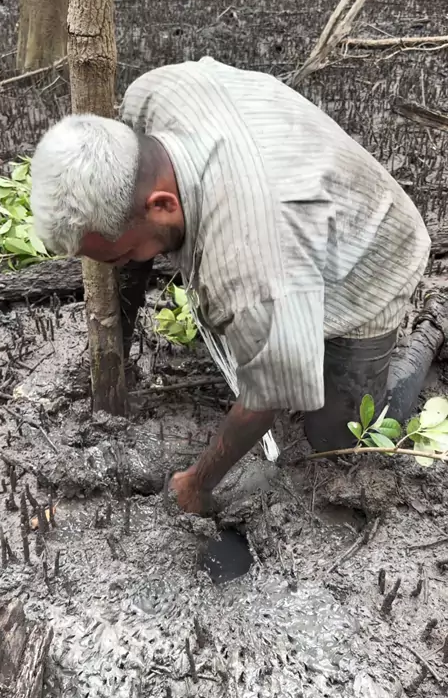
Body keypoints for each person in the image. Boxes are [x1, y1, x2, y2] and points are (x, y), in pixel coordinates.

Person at [30, 57, 446, 515]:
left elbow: (269, 396)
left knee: (339, 443)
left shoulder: (249, 268)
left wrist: (197, 483)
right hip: (298, 212)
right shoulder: (149, 96)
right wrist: (116, 359)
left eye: (121, 254)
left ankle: (434, 326)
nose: (123, 264)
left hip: (371, 252)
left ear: (162, 205)